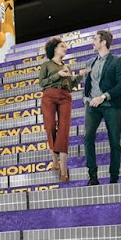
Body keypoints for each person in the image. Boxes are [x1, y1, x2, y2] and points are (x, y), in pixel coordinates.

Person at [82, 29, 121, 185]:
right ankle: (92, 175)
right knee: (88, 138)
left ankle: (113, 178)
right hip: (92, 107)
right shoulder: (89, 63)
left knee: (114, 141)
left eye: (95, 39)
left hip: (111, 105)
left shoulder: (117, 61)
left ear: (103, 42)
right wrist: (86, 98)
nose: (92, 42)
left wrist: (103, 96)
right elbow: (87, 84)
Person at [38, 37, 79, 182]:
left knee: (64, 129)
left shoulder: (67, 67)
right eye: (62, 46)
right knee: (50, 127)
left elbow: (70, 85)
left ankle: (63, 170)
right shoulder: (47, 65)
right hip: (49, 95)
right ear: (54, 48)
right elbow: (42, 83)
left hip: (65, 96)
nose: (65, 48)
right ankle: (54, 160)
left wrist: (79, 77)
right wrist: (57, 75)